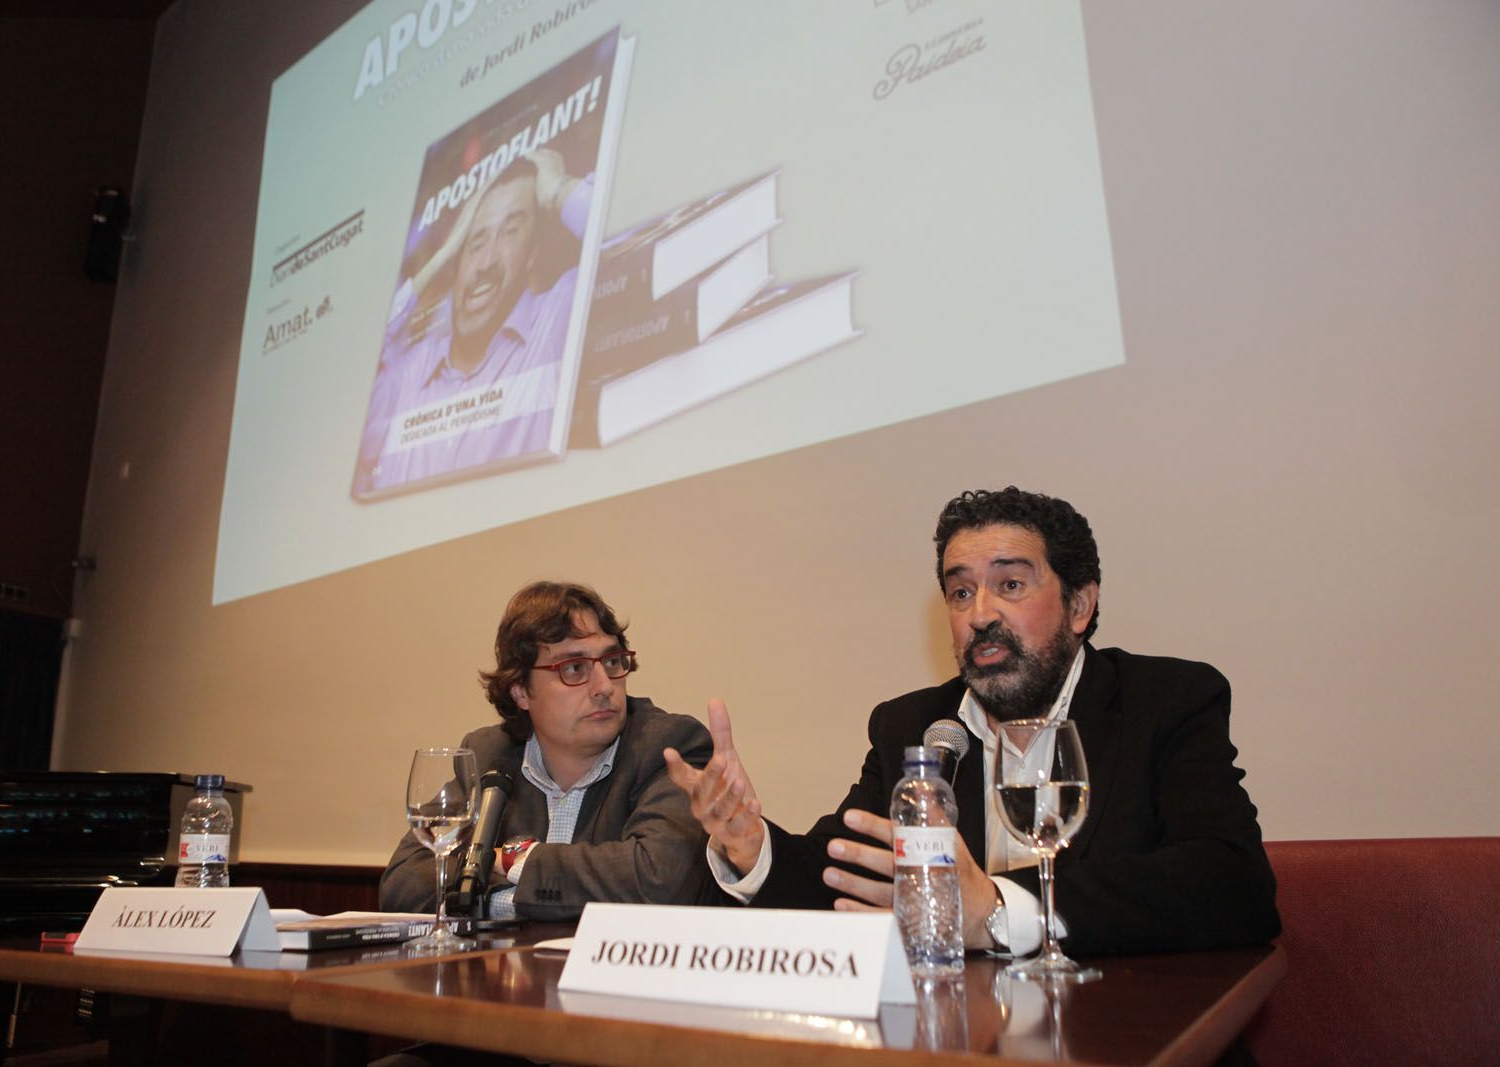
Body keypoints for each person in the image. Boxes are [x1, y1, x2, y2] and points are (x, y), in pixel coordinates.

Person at [666, 487, 1280, 958]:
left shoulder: (1166, 700)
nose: (980, 615)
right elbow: (849, 878)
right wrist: (751, 845)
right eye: (960, 594)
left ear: (1079, 605)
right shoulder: (915, 726)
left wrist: (998, 910)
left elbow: (1232, 883)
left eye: (1010, 584)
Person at [381, 581, 713, 920]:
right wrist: (534, 893)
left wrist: (506, 861)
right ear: (521, 691)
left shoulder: (669, 748)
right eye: (574, 668)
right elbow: (404, 883)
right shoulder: (488, 755)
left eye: (612, 661)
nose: (604, 687)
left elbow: (657, 881)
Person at [354, 148, 591, 492]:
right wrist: (443, 255)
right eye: (475, 243)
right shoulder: (407, 377)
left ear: (532, 254)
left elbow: (619, 234)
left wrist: (557, 189)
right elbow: (347, 384)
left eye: (509, 233)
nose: (486, 263)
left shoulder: (554, 323)